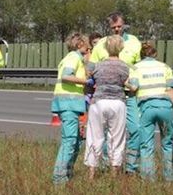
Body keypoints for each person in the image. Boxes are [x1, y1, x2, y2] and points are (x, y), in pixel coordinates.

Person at [90, 13, 143, 174]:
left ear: (124, 24)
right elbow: (91, 67)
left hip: (131, 94)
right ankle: (108, 165)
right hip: (109, 94)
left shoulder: (134, 42)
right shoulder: (101, 45)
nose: (117, 29)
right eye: (113, 28)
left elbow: (139, 66)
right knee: (107, 133)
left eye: (119, 26)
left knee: (136, 130)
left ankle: (131, 167)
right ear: (109, 27)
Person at [129, 42, 173, 181]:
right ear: (155, 54)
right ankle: (169, 177)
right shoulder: (165, 67)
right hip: (166, 107)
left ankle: (148, 178)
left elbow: (133, 88)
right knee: (167, 144)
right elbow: (170, 90)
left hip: (147, 108)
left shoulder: (135, 68)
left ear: (141, 54)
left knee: (146, 145)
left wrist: (126, 82)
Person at [84, 36, 130, 179]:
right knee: (116, 139)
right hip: (117, 102)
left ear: (105, 48)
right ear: (121, 48)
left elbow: (88, 73)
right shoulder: (124, 66)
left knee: (94, 137)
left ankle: (91, 173)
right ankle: (114, 173)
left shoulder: (98, 65)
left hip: (98, 102)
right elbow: (127, 82)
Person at [51, 33, 91, 184]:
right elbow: (66, 76)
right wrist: (85, 81)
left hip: (69, 104)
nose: (89, 47)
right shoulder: (73, 58)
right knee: (69, 141)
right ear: (80, 44)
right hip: (68, 103)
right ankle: (59, 178)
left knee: (75, 140)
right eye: (87, 44)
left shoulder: (73, 58)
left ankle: (66, 172)